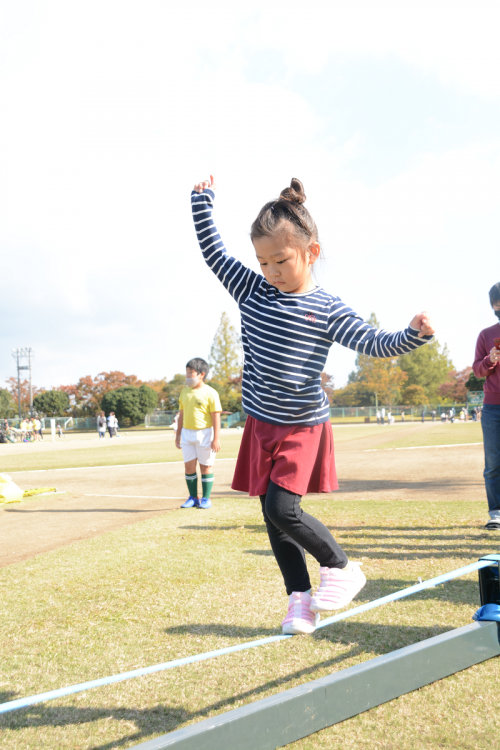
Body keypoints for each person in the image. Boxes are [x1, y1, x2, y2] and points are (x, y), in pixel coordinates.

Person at [191, 175, 435, 634]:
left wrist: (413, 337)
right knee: (270, 514)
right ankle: (299, 602)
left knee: (284, 510)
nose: (271, 272)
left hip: (302, 426)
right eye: (263, 262)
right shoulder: (252, 290)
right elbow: (214, 254)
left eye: (280, 260)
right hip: (261, 422)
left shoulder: (327, 308)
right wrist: (201, 203)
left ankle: (341, 567)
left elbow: (371, 340)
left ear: (311, 252)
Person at [176, 358, 222, 510]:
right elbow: (181, 415)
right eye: (187, 373)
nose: (188, 376)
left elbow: (216, 416)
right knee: (189, 467)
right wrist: (178, 435)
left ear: (201, 374)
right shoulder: (184, 392)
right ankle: (193, 498)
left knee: (206, 467)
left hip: (205, 434)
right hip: (187, 434)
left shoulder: (211, 393)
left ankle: (206, 499)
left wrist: (216, 438)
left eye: (191, 373)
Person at [473, 281, 500, 530]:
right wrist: (489, 360)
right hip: (493, 408)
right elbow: (477, 370)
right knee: (493, 463)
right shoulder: (486, 334)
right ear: (494, 305)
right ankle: (496, 514)